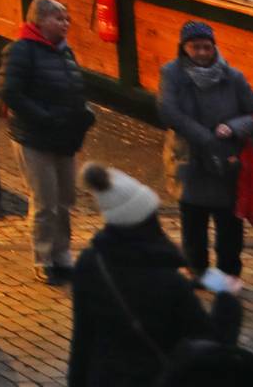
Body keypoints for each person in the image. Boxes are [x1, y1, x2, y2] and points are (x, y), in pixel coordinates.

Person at [67, 163, 243, 387]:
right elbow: (213, 351)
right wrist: (228, 300)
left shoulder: (90, 263)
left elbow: (82, 339)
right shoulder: (169, 282)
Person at [156, 21, 253, 277]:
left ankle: (228, 273)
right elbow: (169, 112)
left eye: (206, 47)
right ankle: (198, 271)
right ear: (184, 47)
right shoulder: (172, 74)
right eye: (195, 47)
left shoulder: (233, 77)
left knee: (229, 223)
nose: (201, 53)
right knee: (193, 221)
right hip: (189, 158)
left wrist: (233, 127)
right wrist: (206, 138)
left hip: (226, 162)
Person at [6, 0, 96, 283]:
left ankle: (62, 254)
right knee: (45, 200)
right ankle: (44, 258)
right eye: (59, 19)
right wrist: (44, 117)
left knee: (65, 198)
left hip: (63, 136)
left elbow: (73, 88)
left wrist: (82, 114)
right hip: (33, 137)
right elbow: (11, 93)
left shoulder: (64, 52)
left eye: (66, 19)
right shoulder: (21, 50)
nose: (65, 24)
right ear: (40, 20)